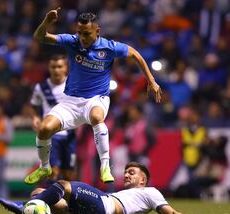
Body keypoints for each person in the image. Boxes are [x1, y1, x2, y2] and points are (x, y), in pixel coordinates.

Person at [25, 9, 162, 184]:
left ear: (97, 31)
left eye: (87, 34)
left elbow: (135, 54)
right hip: (71, 101)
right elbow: (40, 37)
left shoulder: (109, 47)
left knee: (97, 117)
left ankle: (105, 167)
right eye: (80, 33)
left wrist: (151, 80)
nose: (82, 37)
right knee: (44, 129)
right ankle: (44, 166)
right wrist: (46, 21)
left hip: (97, 99)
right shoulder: (72, 41)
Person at [0, 162, 204, 214]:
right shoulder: (123, 193)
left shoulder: (151, 192)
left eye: (131, 172)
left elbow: (171, 213)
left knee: (64, 185)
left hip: (104, 208)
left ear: (143, 180)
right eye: (125, 172)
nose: (126, 174)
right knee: (40, 192)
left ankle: (25, 206)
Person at [30, 54, 77, 181]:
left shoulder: (73, 85)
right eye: (53, 67)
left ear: (66, 68)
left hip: (70, 134)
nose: (56, 70)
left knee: (69, 173)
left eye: (59, 66)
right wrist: (35, 118)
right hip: (51, 135)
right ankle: (52, 200)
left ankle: (69, 200)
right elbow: (34, 105)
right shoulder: (41, 87)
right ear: (49, 68)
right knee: (52, 172)